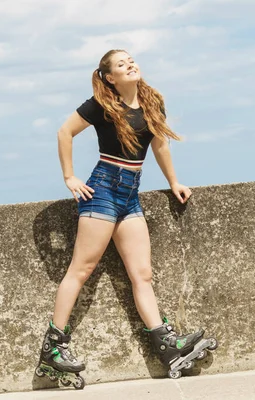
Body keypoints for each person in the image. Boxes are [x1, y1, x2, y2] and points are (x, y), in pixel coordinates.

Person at [35, 49, 210, 387]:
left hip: (130, 195)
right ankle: (53, 349)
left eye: (131, 60)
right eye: (121, 64)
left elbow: (159, 145)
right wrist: (70, 178)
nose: (130, 64)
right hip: (102, 190)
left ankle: (167, 346)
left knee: (142, 274)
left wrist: (174, 182)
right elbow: (63, 132)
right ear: (110, 77)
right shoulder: (103, 104)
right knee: (81, 269)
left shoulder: (151, 102)